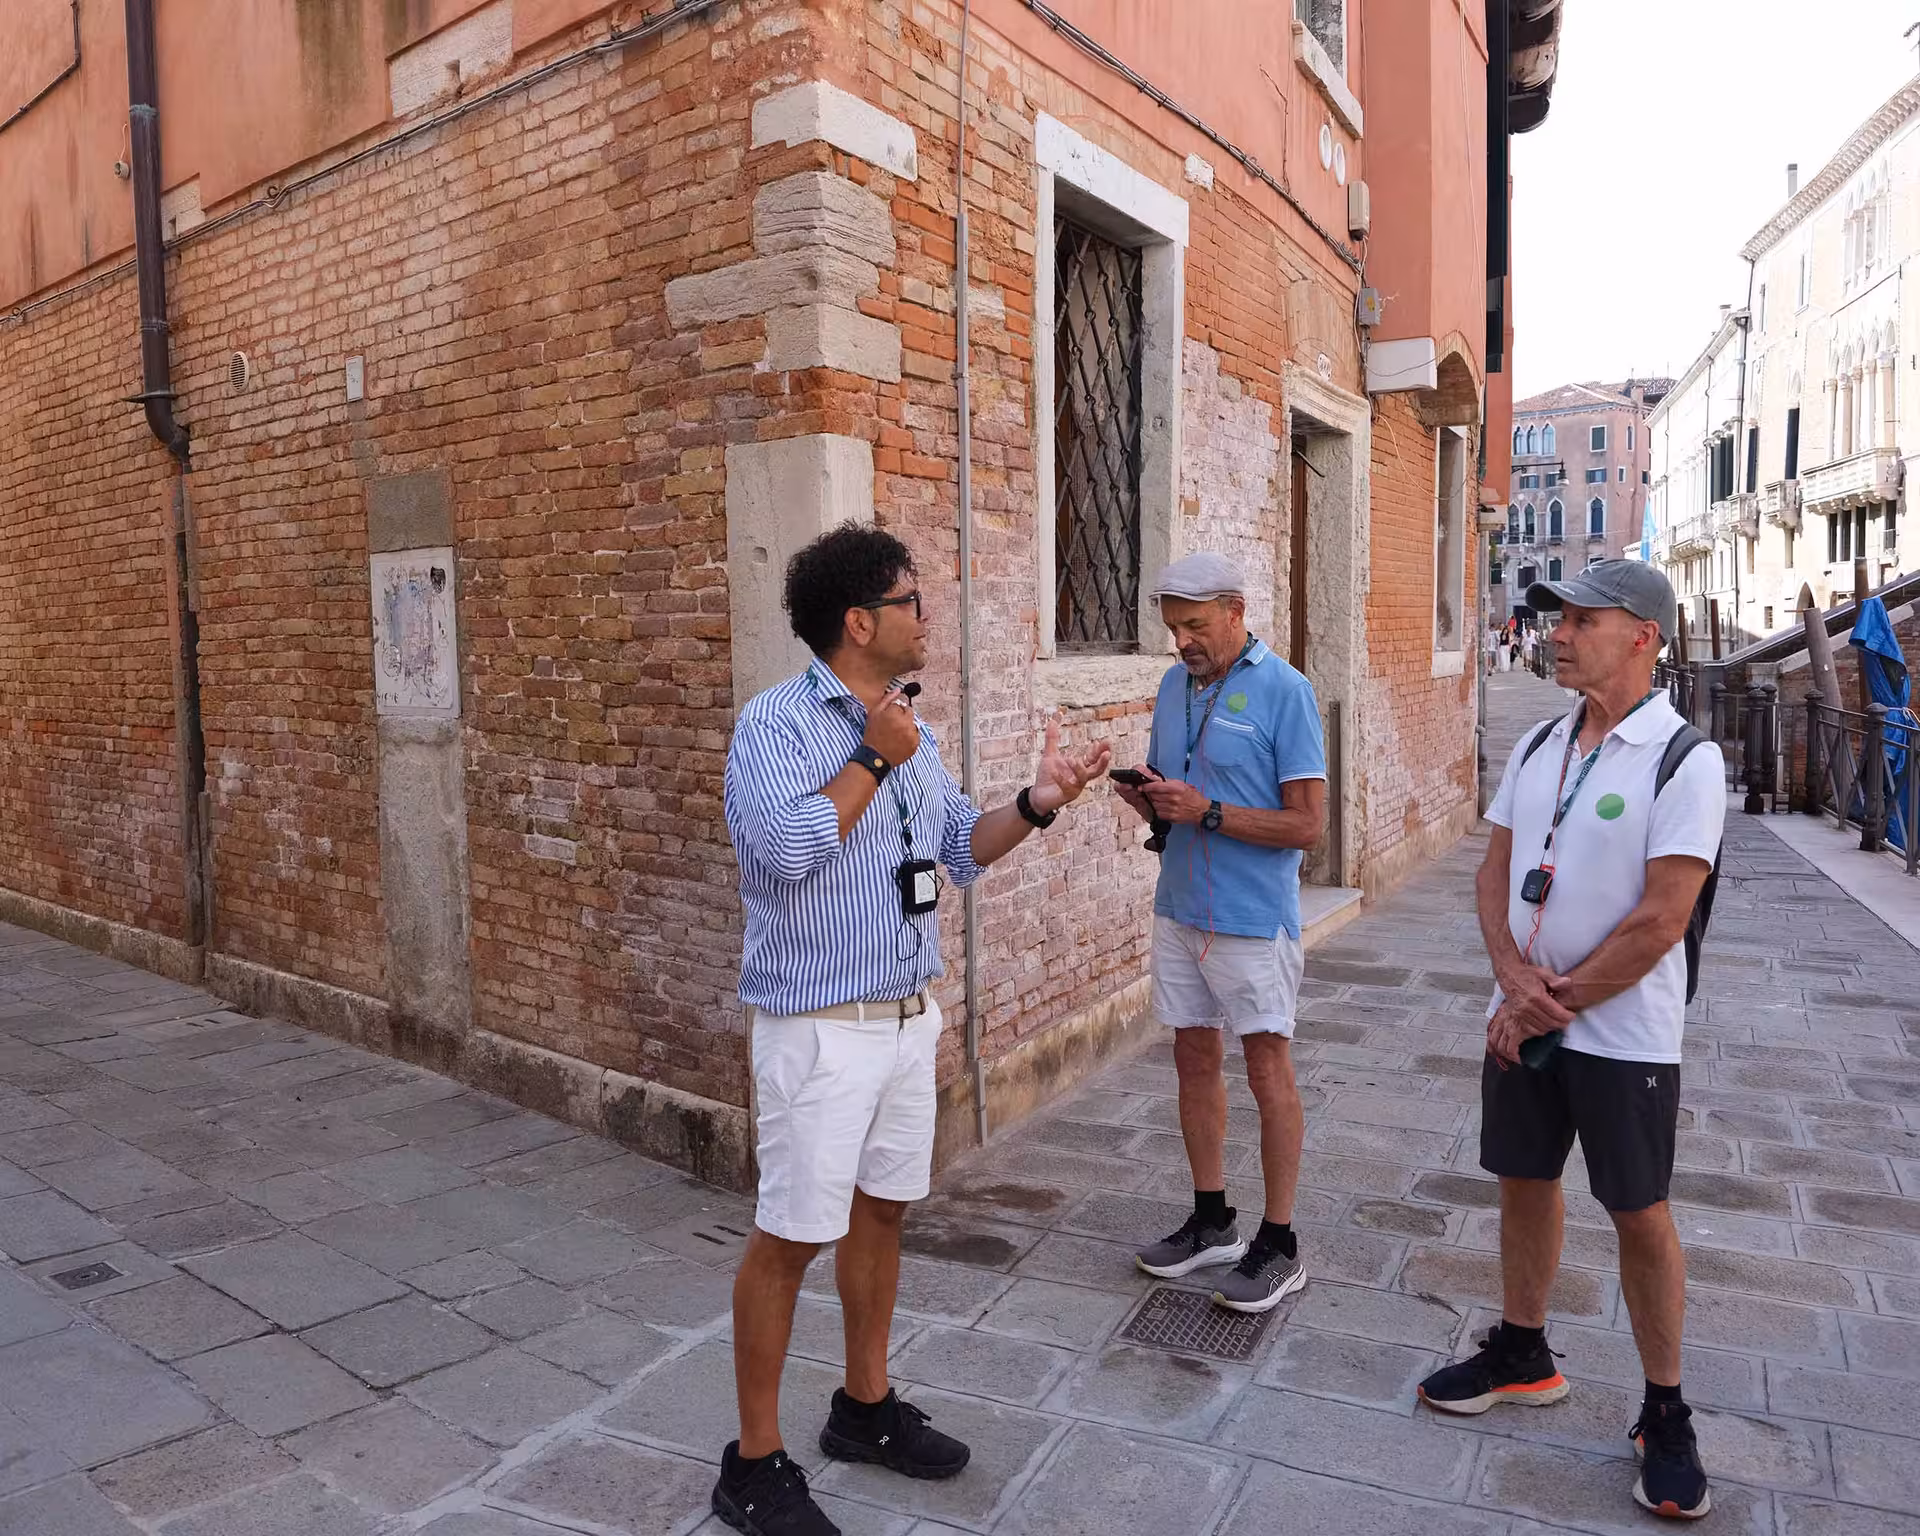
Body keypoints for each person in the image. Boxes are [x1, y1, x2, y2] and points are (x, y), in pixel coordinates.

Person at [717, 523, 1111, 1536]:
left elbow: (959, 851)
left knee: (883, 1211)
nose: (927, 616)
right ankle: (753, 1463)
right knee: (790, 1235)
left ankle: (864, 1406)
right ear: (860, 622)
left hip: (903, 1018)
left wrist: (1036, 803)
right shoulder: (776, 726)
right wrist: (866, 754)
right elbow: (786, 852)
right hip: (817, 1028)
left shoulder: (913, 734)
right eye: (912, 601)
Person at [1416, 560, 1724, 1522]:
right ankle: (1523, 1349)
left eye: (1581, 620)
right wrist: (1513, 981)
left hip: (1625, 1033)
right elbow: (1493, 873)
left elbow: (1662, 917)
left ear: (1643, 635)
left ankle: (1664, 1411)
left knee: (1639, 1212)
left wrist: (1555, 1001)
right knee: (1522, 1181)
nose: (1555, 632)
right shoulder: (1543, 741)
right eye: (1558, 619)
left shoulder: (1683, 760)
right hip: (1525, 1016)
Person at [1113, 553, 1327, 1312]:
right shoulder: (1174, 688)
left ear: (1237, 611)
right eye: (1173, 628)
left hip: (1249, 917)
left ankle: (1280, 1241)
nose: (1183, 643)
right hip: (1179, 907)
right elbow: (1180, 796)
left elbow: (1308, 824)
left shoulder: (1287, 691)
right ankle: (1212, 1221)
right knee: (1192, 1058)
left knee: (1268, 1071)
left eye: (1196, 626)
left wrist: (1206, 810)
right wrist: (1152, 802)